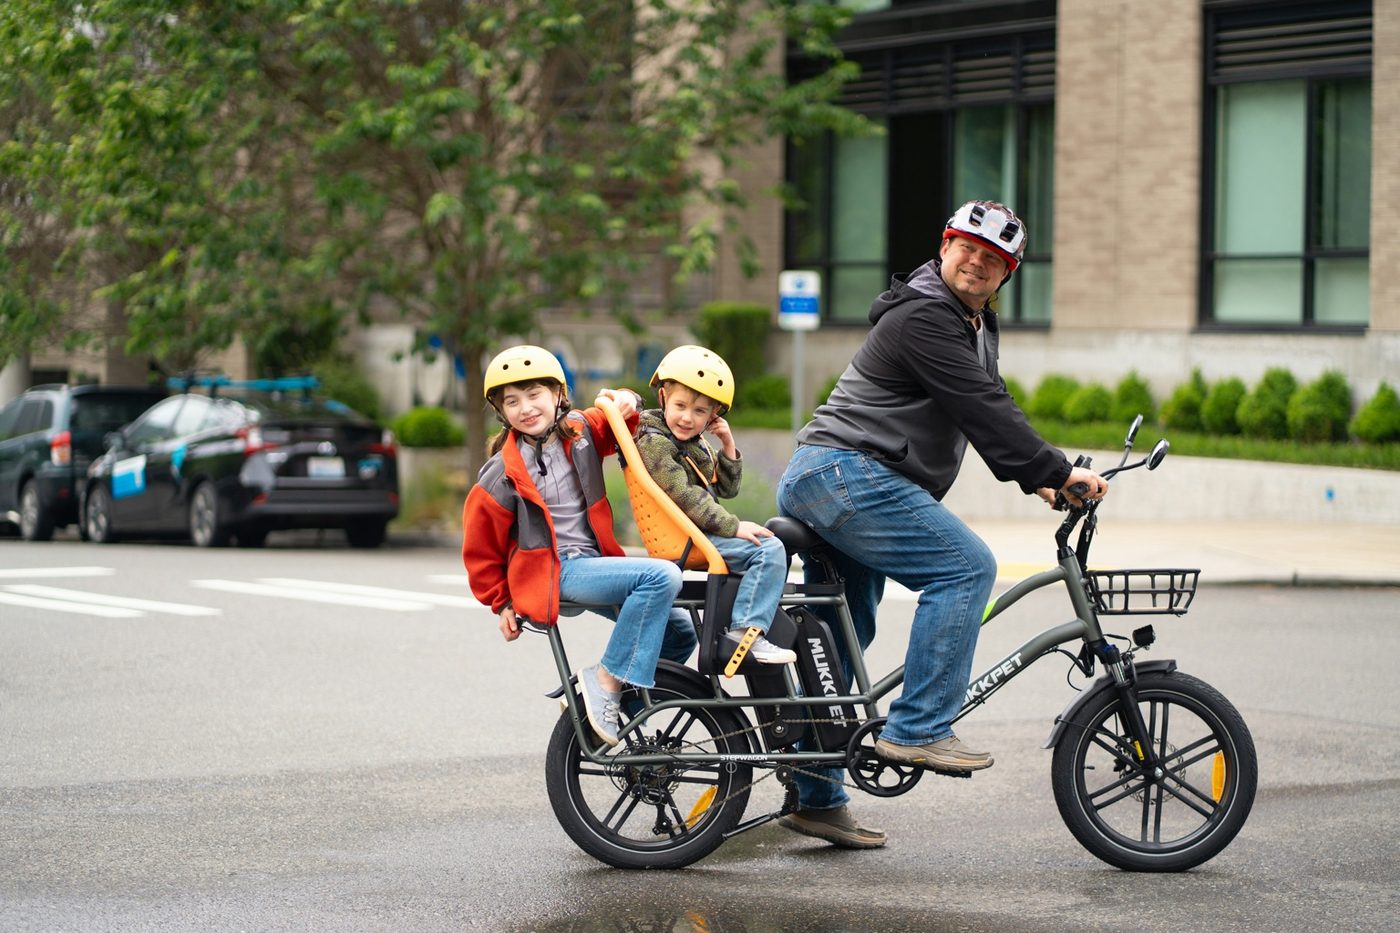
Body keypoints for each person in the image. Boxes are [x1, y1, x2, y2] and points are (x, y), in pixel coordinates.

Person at [774, 200, 1109, 849]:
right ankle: (919, 726)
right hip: (844, 472)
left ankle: (815, 795)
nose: (977, 264)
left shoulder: (974, 324)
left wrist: (1043, 475)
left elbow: (991, 402)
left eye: (994, 260)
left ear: (1007, 274)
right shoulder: (926, 313)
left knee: (842, 638)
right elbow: (979, 406)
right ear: (945, 244)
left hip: (852, 479)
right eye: (968, 249)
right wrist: (1055, 467)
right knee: (966, 565)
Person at [462, 345, 696, 747]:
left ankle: (619, 709)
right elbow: (479, 546)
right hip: (556, 571)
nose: (526, 408)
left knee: (680, 632)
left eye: (534, 395)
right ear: (502, 413)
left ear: (558, 395)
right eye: (512, 402)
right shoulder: (501, 472)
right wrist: (499, 601)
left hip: (594, 564)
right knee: (661, 577)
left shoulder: (580, 432)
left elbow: (622, 419)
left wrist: (628, 399)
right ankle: (604, 680)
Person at [633, 345, 796, 666]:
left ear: (713, 416)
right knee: (768, 549)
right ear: (663, 398)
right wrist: (734, 527)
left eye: (700, 412)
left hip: (694, 531)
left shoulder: (690, 443)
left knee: (767, 547)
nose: (687, 417)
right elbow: (685, 497)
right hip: (686, 535)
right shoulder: (656, 443)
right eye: (680, 405)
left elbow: (726, 488)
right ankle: (746, 632)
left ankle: (747, 622)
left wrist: (728, 445)